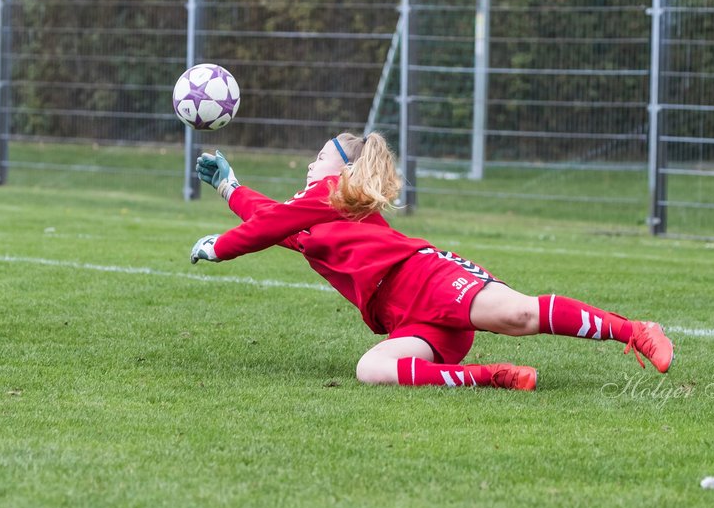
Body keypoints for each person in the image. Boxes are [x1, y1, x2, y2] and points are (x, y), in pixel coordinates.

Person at [189, 132, 673, 391]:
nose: (311, 165)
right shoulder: (311, 217)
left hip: (428, 279)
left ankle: (634, 330)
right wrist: (230, 188)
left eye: (320, 156)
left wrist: (220, 247)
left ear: (346, 171)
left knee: (519, 315)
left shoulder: (333, 193)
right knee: (372, 371)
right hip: (409, 320)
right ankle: (492, 376)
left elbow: (269, 223)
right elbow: (272, 220)